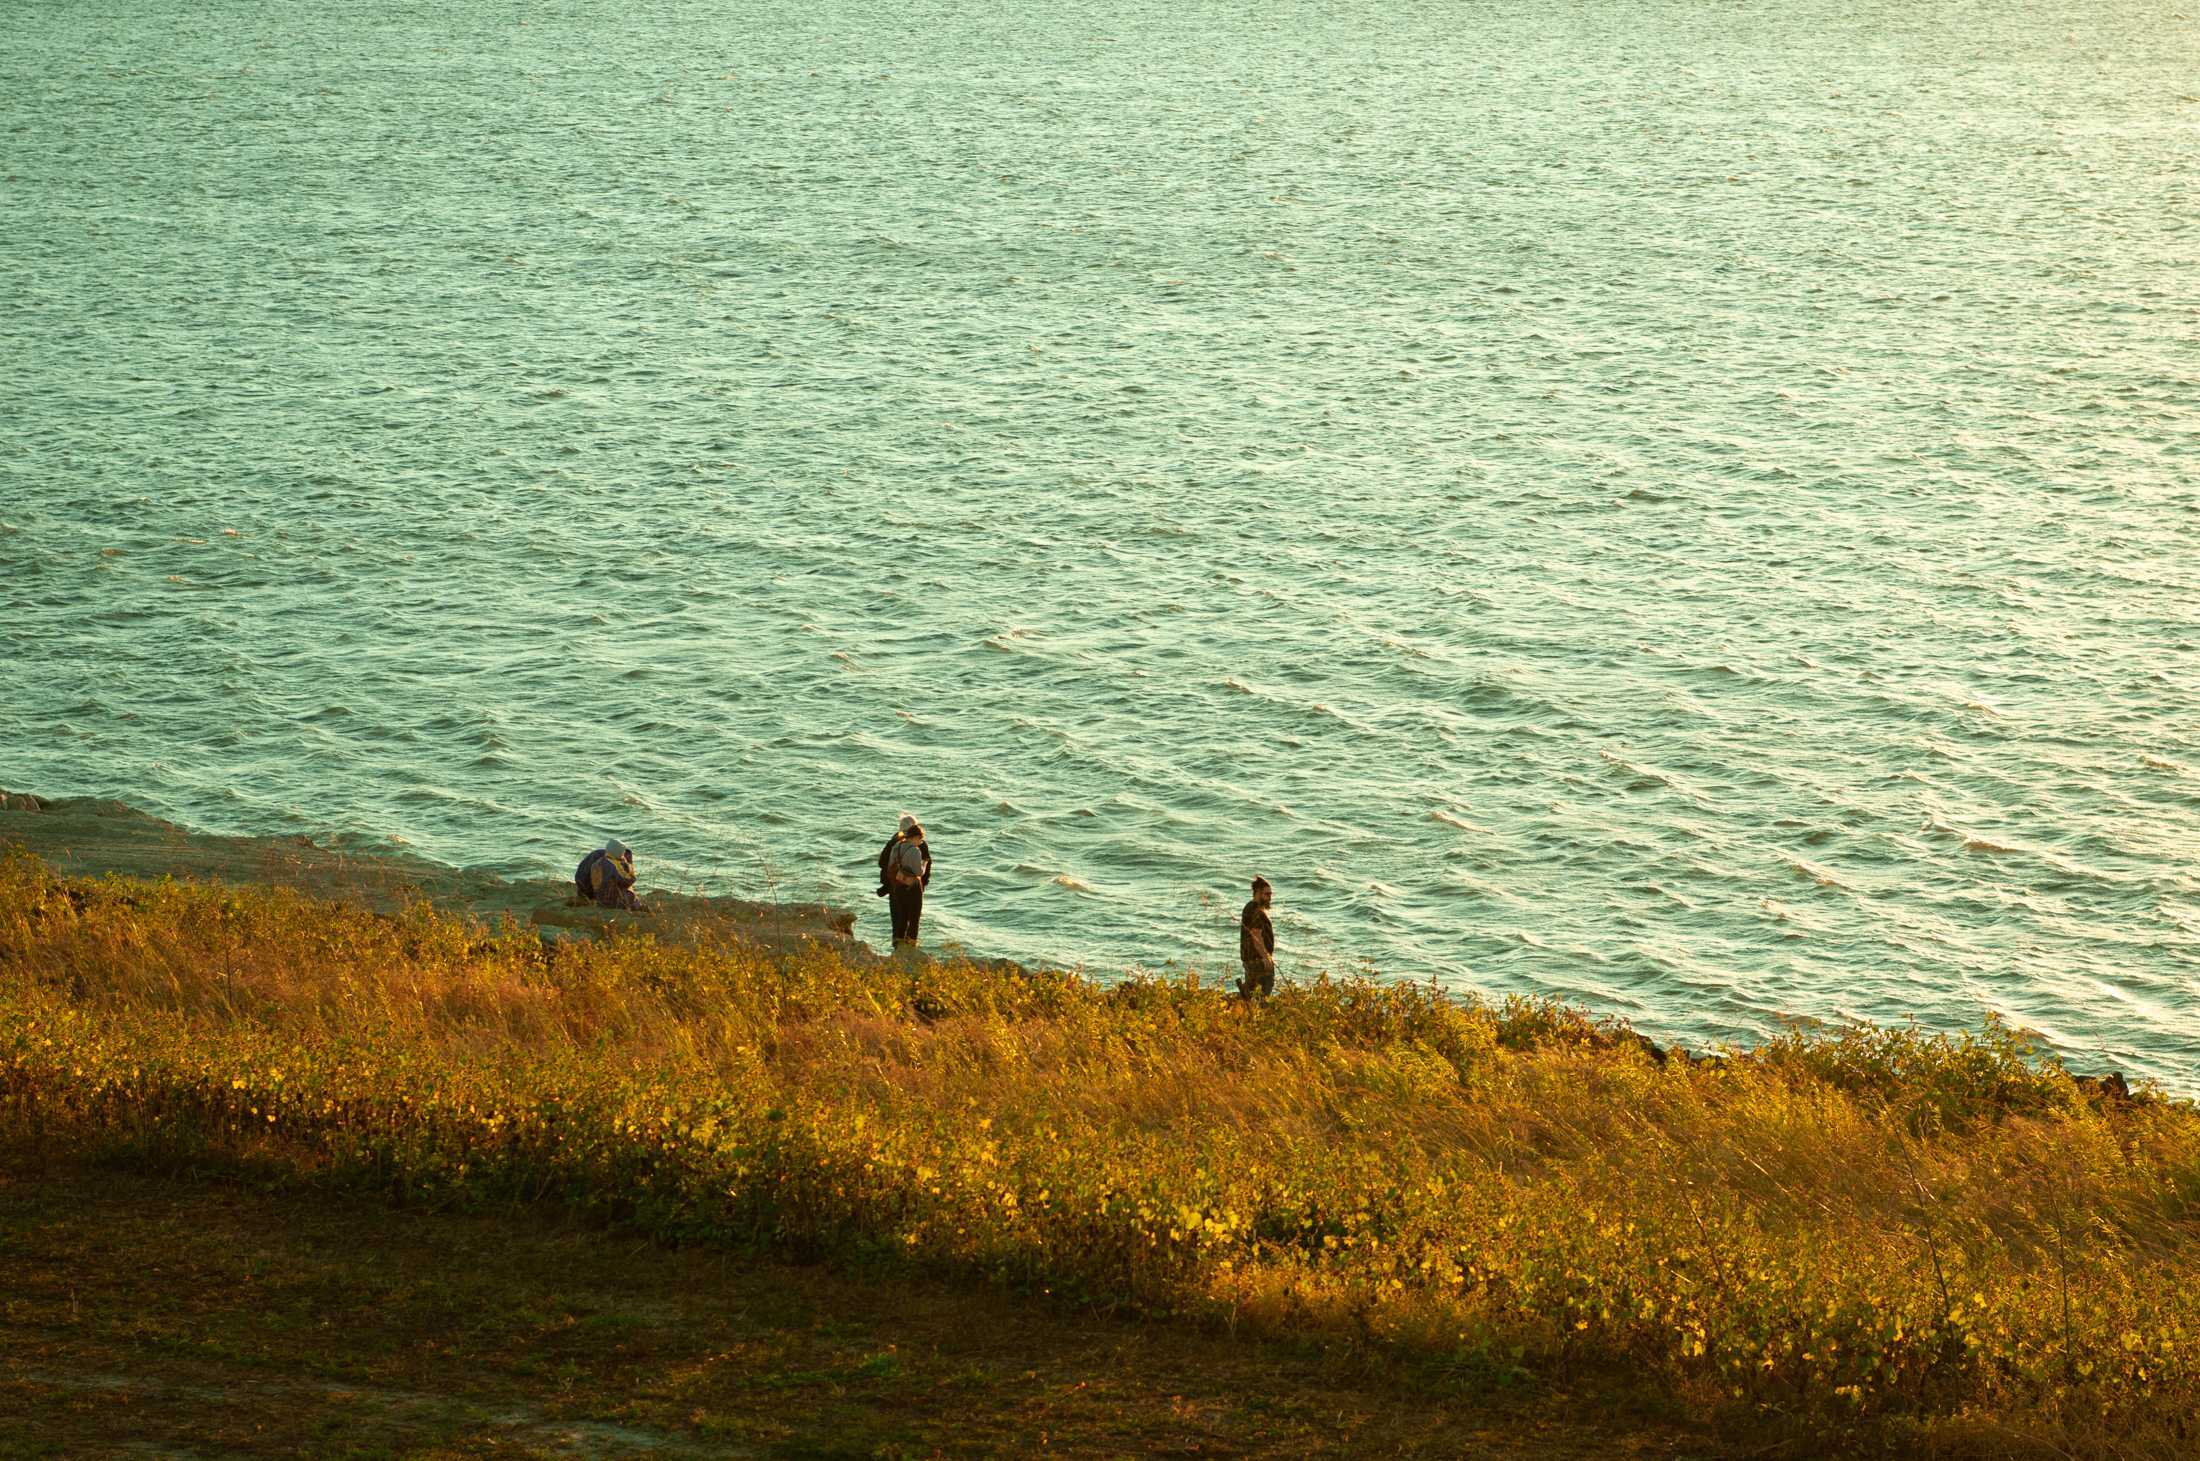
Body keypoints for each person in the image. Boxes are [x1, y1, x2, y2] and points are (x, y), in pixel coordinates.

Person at [876, 813, 932, 947]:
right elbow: (926, 865)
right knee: (913, 918)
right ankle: (910, 947)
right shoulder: (920, 845)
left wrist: (889, 881)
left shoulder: (894, 841)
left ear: (901, 828)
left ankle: (897, 949)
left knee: (898, 918)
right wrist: (923, 884)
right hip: (913, 886)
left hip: (895, 885)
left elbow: (882, 862)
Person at [574, 838, 644, 911]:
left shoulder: (599, 858)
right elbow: (629, 880)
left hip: (584, 886)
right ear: (620, 854)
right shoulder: (613, 863)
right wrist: (628, 866)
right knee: (630, 897)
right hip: (602, 898)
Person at [1238, 876, 1276, 998]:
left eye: (1270, 894)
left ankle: (1242, 1012)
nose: (1269, 897)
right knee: (1264, 993)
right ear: (1258, 893)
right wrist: (1266, 957)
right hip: (1258, 961)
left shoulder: (1249, 906)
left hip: (1249, 959)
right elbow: (1256, 934)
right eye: (1266, 894)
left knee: (1250, 993)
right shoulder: (1257, 911)